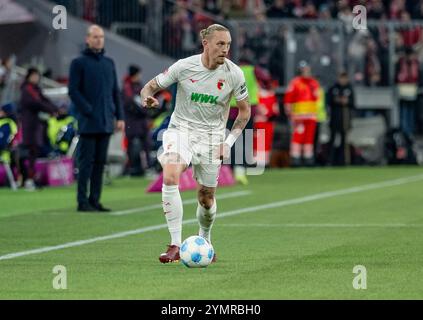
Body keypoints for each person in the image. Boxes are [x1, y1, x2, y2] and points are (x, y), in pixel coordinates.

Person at [140, 24, 250, 264]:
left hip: (213, 139)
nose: (225, 49)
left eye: (228, 44)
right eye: (220, 44)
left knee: (206, 200)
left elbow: (244, 112)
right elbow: (150, 86)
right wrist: (146, 98)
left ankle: (205, 239)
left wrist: (229, 142)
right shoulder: (183, 66)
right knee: (170, 174)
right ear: (206, 44)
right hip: (182, 131)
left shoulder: (234, 74)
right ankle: (175, 245)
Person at [69, 25, 125, 212]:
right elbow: (73, 91)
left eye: (101, 36)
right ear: (87, 39)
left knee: (100, 163)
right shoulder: (78, 63)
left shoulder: (109, 63)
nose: (98, 39)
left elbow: (115, 92)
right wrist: (88, 109)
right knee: (85, 164)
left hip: (106, 121)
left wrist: (119, 116)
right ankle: (82, 201)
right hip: (88, 121)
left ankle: (95, 200)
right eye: (95, 36)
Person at [19, 68, 57, 190]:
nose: (36, 78)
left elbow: (44, 100)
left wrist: (55, 108)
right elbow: (35, 103)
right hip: (28, 126)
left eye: (37, 76)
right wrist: (50, 109)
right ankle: (27, 179)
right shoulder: (26, 90)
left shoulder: (36, 89)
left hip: (36, 125)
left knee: (34, 152)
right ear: (29, 76)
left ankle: (30, 179)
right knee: (29, 152)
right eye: (34, 76)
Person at [284, 60, 321, 167]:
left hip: (311, 116)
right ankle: (295, 159)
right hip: (298, 117)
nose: (306, 71)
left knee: (309, 139)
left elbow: (317, 98)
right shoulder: (295, 83)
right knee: (297, 138)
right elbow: (288, 100)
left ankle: (308, 158)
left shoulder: (313, 83)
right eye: (304, 69)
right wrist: (290, 114)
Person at [122, 64, 151, 176]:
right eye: (139, 74)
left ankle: (144, 167)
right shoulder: (127, 87)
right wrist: (144, 111)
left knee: (145, 144)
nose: (140, 76)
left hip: (140, 122)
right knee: (133, 146)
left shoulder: (137, 85)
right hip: (132, 122)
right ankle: (133, 168)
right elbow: (130, 103)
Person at [326, 71, 355, 166]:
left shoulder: (349, 89)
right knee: (332, 140)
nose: (343, 80)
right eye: (341, 78)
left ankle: (343, 161)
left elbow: (353, 103)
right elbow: (329, 101)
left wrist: (347, 101)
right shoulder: (333, 88)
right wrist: (338, 100)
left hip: (345, 120)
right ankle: (329, 161)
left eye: (344, 78)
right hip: (335, 119)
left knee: (344, 141)